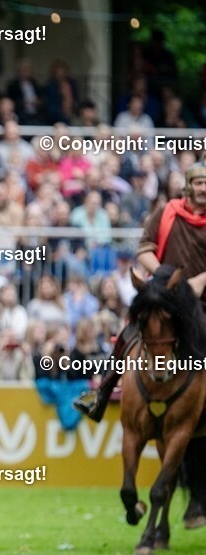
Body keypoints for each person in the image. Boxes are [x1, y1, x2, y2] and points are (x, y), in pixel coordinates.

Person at [75, 163, 206, 422]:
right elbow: (144, 250)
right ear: (188, 187)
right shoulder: (167, 212)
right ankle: (100, 394)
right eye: (199, 183)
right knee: (128, 333)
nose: (204, 188)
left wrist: (202, 279)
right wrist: (164, 278)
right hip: (164, 298)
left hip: (202, 301)